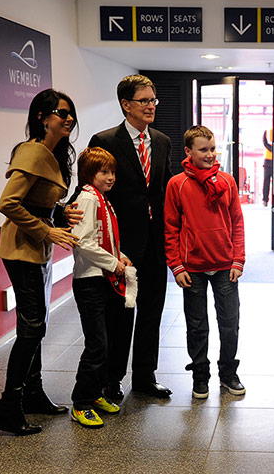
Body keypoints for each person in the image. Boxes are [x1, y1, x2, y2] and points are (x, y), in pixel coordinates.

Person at [0, 89, 81, 435]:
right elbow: (9, 203)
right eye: (62, 112)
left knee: (36, 325)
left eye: (71, 113)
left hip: (35, 248)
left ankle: (33, 394)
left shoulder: (51, 153)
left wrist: (60, 213)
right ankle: (9, 406)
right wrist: (48, 230)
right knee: (33, 328)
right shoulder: (31, 151)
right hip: (21, 249)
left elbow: (39, 202)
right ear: (43, 117)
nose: (68, 118)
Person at [88, 75, 173, 400]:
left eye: (153, 100)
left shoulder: (162, 142)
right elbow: (94, 188)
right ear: (126, 104)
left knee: (152, 312)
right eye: (144, 100)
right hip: (122, 247)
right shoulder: (105, 140)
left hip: (155, 243)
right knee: (121, 315)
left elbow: (162, 191)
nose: (151, 106)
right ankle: (112, 380)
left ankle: (145, 377)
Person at [164, 125, 246, 399]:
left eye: (212, 148)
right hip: (192, 269)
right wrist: (176, 265)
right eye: (203, 150)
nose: (210, 154)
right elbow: (171, 228)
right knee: (197, 326)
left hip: (225, 266)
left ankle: (228, 374)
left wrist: (238, 261)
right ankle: (200, 375)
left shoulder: (227, 181)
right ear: (188, 152)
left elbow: (237, 223)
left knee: (230, 323)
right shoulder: (177, 184)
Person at [69, 147, 131, 429]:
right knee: (97, 344)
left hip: (102, 278)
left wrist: (119, 256)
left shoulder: (102, 200)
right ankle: (81, 403)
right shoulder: (87, 198)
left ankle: (94, 395)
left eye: (112, 172)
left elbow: (103, 237)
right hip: (90, 281)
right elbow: (83, 241)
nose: (110, 177)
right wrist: (112, 263)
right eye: (103, 172)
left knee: (106, 342)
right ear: (89, 173)